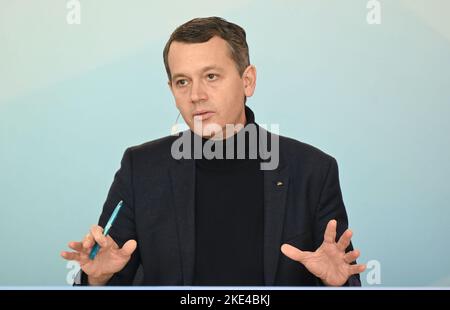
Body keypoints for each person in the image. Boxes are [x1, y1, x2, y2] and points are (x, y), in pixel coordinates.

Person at [61, 17, 365, 286]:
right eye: (183, 82)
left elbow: (342, 274)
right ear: (172, 90)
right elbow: (111, 268)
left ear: (247, 81)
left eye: (211, 76)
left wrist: (337, 285)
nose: (196, 95)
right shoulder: (140, 168)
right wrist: (96, 279)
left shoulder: (313, 170)